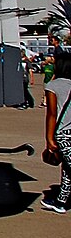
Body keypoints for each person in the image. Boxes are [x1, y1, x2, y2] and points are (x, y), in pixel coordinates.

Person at [43, 64, 71, 213]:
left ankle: (60, 202)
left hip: (64, 132)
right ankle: (60, 202)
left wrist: (49, 138)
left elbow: (52, 114)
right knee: (67, 168)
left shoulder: (53, 85)